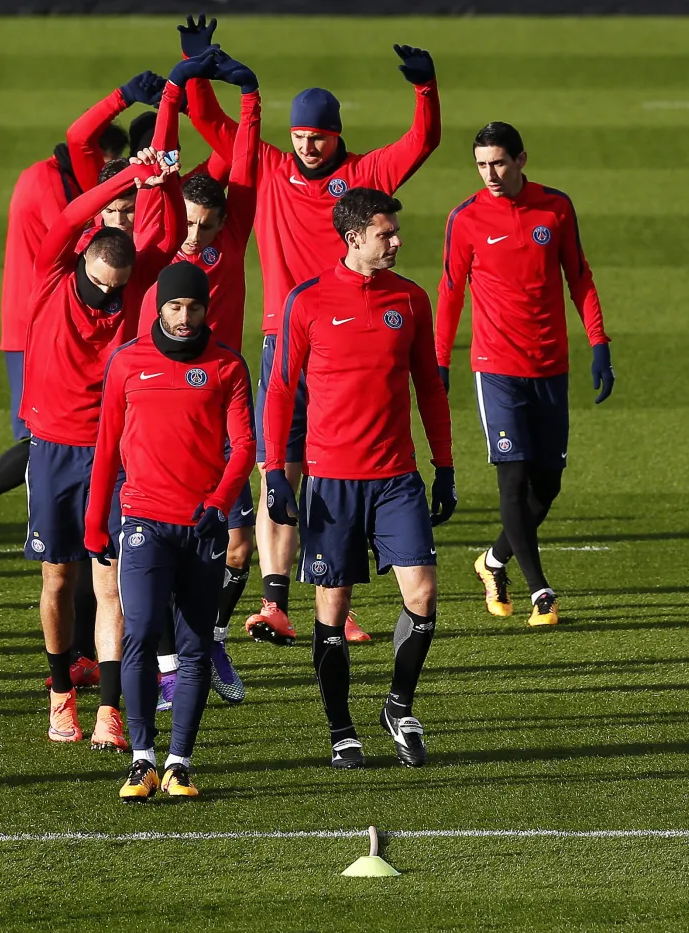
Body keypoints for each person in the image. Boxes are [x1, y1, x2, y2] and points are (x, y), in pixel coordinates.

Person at [176, 15, 441, 647]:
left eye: (318, 138)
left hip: (346, 342)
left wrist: (425, 88)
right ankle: (274, 600)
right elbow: (210, 125)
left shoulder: (367, 178)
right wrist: (196, 61)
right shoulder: (268, 166)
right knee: (280, 467)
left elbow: (422, 142)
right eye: (299, 137)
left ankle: (334, 598)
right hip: (283, 338)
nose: (308, 148)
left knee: (330, 470)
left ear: (336, 136)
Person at [264, 188, 456, 770]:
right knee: (332, 607)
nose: (396, 242)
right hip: (332, 483)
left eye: (395, 232)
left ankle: (398, 704)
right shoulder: (309, 302)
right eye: (386, 234)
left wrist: (444, 466)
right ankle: (341, 726)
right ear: (354, 238)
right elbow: (279, 390)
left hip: (397, 477)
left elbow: (430, 386)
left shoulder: (412, 300)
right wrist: (275, 471)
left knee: (422, 596)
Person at [18, 141, 184, 751]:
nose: (106, 300)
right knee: (58, 580)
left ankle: (109, 709)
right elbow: (65, 218)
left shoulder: (131, 285)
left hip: (113, 452)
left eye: (117, 291)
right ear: (82, 260)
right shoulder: (54, 272)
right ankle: (62, 692)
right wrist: (134, 173)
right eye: (98, 287)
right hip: (54, 449)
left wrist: (159, 184)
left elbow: (162, 235)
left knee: (109, 584)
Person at [0, 83, 142, 563]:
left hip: (50, 322)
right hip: (42, 330)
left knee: (56, 440)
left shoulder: (58, 180)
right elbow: (79, 232)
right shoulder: (49, 186)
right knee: (48, 438)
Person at [85, 262, 255, 801]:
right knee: (138, 633)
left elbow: (245, 446)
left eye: (194, 308)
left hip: (201, 527)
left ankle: (180, 762)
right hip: (143, 522)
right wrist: (94, 524)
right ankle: (141, 760)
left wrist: (219, 504)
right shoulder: (127, 363)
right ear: (158, 308)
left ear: (207, 309)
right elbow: (107, 446)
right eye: (175, 308)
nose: (184, 318)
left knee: (194, 645)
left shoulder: (227, 366)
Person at [436, 122, 614, 628]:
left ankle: (492, 562)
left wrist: (599, 343)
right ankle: (541, 591)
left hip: (551, 366)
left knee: (547, 486)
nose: (490, 174)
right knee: (511, 481)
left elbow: (579, 276)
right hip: (496, 369)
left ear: (520, 160)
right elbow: (450, 290)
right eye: (481, 165)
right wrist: (440, 360)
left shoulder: (555, 208)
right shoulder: (466, 218)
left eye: (498, 163)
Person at [139, 51, 260, 705]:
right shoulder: (158, 239)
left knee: (235, 546)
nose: (194, 236)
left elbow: (242, 167)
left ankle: (209, 635)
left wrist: (247, 92)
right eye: (188, 222)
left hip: (220, 401)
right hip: (161, 413)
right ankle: (165, 666)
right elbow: (162, 160)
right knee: (157, 555)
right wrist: (176, 91)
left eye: (205, 227)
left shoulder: (231, 237)